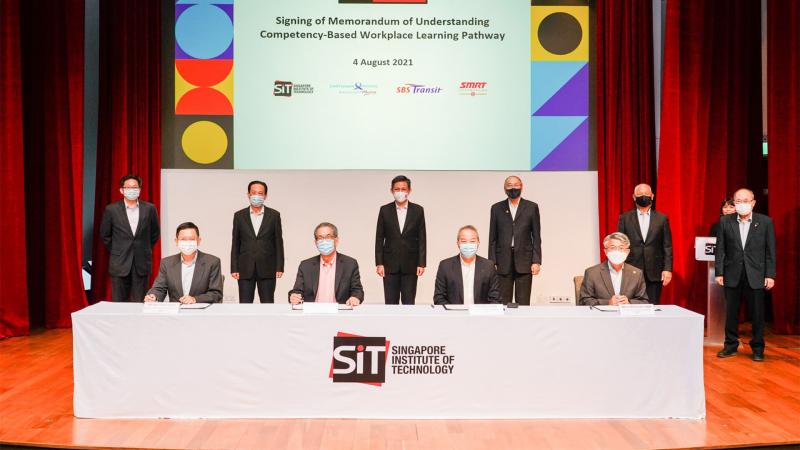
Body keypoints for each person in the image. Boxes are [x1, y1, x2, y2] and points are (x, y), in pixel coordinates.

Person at [715, 188, 776, 362]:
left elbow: (770, 251)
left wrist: (770, 275)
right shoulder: (725, 221)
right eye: (738, 201)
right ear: (734, 203)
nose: (742, 204)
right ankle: (730, 346)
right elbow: (720, 249)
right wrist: (719, 272)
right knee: (731, 313)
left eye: (745, 201)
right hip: (732, 273)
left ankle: (758, 348)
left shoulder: (765, 222)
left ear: (753, 203)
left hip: (756, 274)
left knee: (757, 314)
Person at [100, 174, 160, 302]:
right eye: (128, 187)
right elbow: (105, 235)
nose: (132, 190)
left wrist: (143, 248)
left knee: (140, 302)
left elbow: (155, 233)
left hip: (141, 263)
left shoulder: (150, 208)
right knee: (119, 302)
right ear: (121, 190)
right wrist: (118, 249)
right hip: (119, 263)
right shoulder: (112, 209)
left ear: (139, 190)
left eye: (135, 187)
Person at [488, 175, 542, 305]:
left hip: (525, 260)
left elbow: (536, 236)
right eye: (509, 185)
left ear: (521, 187)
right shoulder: (496, 208)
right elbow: (492, 238)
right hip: (502, 261)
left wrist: (536, 261)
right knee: (502, 302)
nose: (513, 188)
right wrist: (492, 262)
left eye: (516, 185)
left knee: (523, 302)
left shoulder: (531, 207)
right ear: (504, 188)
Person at [616, 183, 673, 304]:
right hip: (630, 270)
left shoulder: (662, 219)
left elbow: (667, 246)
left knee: (652, 305)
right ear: (633, 197)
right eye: (640, 194)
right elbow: (620, 244)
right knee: (629, 304)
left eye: (646, 194)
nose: (643, 196)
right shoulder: (625, 218)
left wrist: (667, 269)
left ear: (652, 196)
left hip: (654, 272)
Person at [375, 175, 426, 305]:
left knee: (409, 302)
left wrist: (421, 263)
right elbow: (379, 238)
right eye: (397, 189)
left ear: (409, 191)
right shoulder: (385, 210)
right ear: (391, 190)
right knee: (390, 302)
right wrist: (379, 263)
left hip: (411, 264)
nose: (400, 192)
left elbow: (422, 238)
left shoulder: (418, 210)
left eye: (403, 189)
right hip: (389, 265)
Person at [230, 180, 284, 303]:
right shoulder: (239, 216)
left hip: (268, 267)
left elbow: (278, 242)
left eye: (260, 193)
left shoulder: (274, 215)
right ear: (248, 194)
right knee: (245, 304)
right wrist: (234, 267)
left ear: (265, 196)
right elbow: (235, 243)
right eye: (254, 193)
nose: (257, 196)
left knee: (267, 303)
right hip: (245, 268)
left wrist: (279, 266)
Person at [144, 222, 222, 303]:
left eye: (192, 239)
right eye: (183, 239)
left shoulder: (212, 262)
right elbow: (159, 288)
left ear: (199, 241)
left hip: (202, 309)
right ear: (176, 241)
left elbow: (216, 293)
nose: (187, 243)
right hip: (176, 310)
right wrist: (153, 296)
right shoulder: (167, 263)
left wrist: (195, 299)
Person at [289, 222, 364, 306]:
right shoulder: (306, 265)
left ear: (336, 240)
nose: (324, 241)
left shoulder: (350, 264)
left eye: (328, 237)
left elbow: (357, 291)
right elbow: (297, 291)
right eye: (320, 238)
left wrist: (355, 297)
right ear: (316, 242)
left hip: (339, 311)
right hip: (313, 312)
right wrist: (294, 296)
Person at [434, 225, 501, 305]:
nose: (468, 245)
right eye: (464, 241)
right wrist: (454, 311)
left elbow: (495, 298)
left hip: (481, 312)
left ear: (478, 242)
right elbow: (439, 298)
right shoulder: (445, 266)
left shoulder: (488, 266)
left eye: (472, 241)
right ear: (458, 243)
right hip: (454, 312)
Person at [579, 232, 649, 306]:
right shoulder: (592, 273)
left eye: (621, 248)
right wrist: (607, 303)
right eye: (613, 248)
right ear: (605, 251)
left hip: (626, 313)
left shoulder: (637, 274)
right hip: (603, 313)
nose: (617, 251)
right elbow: (583, 301)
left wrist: (629, 302)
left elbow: (644, 301)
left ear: (627, 252)